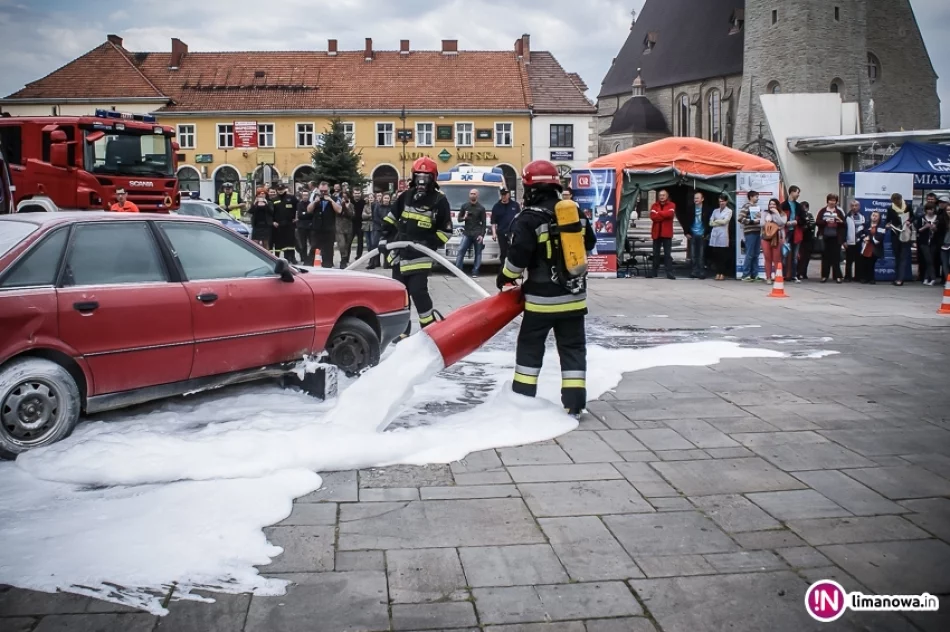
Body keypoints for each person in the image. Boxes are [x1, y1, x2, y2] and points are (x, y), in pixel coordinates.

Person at [496, 159, 596, 417]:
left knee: (530, 347)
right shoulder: (574, 214)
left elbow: (517, 259)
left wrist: (505, 276)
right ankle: (574, 403)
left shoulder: (527, 219)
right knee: (573, 349)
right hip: (574, 298)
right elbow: (590, 242)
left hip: (542, 300)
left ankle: (522, 398)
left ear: (529, 189)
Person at [379, 157, 453, 338]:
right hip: (399, 253)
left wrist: (428, 243)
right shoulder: (405, 196)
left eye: (426, 176)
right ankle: (402, 332)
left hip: (420, 254)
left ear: (433, 178)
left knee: (418, 292)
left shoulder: (439, 200)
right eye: (418, 176)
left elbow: (446, 231)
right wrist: (383, 238)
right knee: (400, 295)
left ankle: (429, 331)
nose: (421, 181)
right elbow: (391, 218)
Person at [308, 181, 342, 268]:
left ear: (329, 190)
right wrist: (315, 202)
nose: (323, 193)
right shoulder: (315, 198)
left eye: (325, 191)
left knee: (328, 250)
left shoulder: (335, 198)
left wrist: (330, 200)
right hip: (316, 229)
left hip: (329, 229)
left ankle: (328, 265)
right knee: (314, 248)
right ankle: (309, 266)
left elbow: (339, 210)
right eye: (321, 191)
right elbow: (309, 210)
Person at [456, 189, 487, 277]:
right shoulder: (465, 206)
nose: (472, 195)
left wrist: (482, 235)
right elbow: (459, 219)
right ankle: (458, 271)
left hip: (477, 233)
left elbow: (484, 223)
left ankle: (475, 271)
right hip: (467, 233)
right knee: (461, 250)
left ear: (477, 195)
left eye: (474, 194)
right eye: (471, 194)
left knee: (478, 253)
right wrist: (464, 217)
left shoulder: (481, 208)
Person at [816, 193, 846, 283]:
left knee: (836, 257)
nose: (832, 202)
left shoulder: (839, 212)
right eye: (830, 200)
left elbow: (844, 224)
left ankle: (837, 276)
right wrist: (825, 221)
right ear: (827, 201)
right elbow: (817, 222)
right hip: (825, 237)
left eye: (834, 200)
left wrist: (839, 221)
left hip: (836, 237)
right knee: (825, 257)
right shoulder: (823, 211)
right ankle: (824, 276)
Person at [886, 192, 914, 286]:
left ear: (901, 199)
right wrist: (888, 225)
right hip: (895, 233)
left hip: (905, 233)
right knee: (897, 257)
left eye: (898, 201)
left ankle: (900, 279)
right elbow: (887, 220)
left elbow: (913, 216)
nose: (896, 203)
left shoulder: (908, 206)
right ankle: (897, 277)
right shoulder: (890, 209)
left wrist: (909, 221)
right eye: (894, 202)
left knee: (903, 257)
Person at [650, 189, 676, 279]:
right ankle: (654, 272)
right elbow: (653, 217)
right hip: (656, 233)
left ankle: (669, 272)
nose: (661, 197)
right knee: (655, 254)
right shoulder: (654, 205)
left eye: (663, 195)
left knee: (667, 254)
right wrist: (663, 215)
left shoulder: (672, 205)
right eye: (660, 195)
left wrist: (659, 213)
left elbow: (670, 214)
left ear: (667, 196)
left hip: (666, 233)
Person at [781, 186, 805, 282]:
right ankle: (783, 274)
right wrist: (785, 222)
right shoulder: (783, 205)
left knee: (795, 255)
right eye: (797, 192)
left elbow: (803, 220)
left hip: (796, 232)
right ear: (791, 192)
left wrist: (797, 222)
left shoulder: (799, 206)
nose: (798, 195)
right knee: (784, 254)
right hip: (786, 232)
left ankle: (794, 275)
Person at [738, 190, 763, 281]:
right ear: (751, 197)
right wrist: (751, 221)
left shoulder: (757, 207)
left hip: (757, 231)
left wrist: (761, 218)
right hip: (750, 232)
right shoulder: (746, 206)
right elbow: (740, 218)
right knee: (749, 254)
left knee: (756, 253)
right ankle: (745, 274)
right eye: (756, 196)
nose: (757, 198)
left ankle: (754, 274)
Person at [491, 188, 521, 264]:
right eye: (502, 195)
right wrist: (494, 234)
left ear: (509, 195)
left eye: (505, 194)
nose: (503, 196)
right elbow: (493, 222)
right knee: (503, 251)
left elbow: (519, 218)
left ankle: (514, 269)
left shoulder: (515, 205)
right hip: (501, 232)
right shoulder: (496, 206)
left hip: (513, 232)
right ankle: (503, 268)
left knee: (514, 251)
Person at [760, 198, 787, 283]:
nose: (771, 206)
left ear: (777, 205)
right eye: (770, 204)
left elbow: (782, 223)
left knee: (777, 258)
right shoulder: (764, 213)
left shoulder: (782, 214)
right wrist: (771, 223)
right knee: (767, 258)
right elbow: (761, 224)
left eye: (773, 204)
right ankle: (768, 277)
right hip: (766, 237)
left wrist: (776, 214)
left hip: (777, 237)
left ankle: (777, 277)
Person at [856, 211, 885, 284]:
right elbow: (859, 233)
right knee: (864, 262)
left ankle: (871, 278)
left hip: (874, 247)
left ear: (879, 217)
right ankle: (863, 278)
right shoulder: (865, 224)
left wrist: (869, 238)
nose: (874, 217)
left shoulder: (881, 226)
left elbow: (879, 237)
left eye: (876, 216)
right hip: (865, 246)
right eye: (873, 215)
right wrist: (864, 238)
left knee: (871, 263)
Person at [708, 193, 733, 281]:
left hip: (723, 234)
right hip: (715, 234)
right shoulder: (715, 211)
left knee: (722, 255)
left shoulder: (729, 211)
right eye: (720, 201)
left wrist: (716, 221)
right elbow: (710, 222)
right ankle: (717, 272)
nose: (721, 203)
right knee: (716, 255)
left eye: (723, 201)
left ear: (726, 201)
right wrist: (719, 221)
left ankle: (722, 273)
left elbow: (725, 221)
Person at [271, 182, 298, 262]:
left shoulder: (291, 198)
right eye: (279, 190)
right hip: (278, 225)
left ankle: (291, 258)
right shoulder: (274, 200)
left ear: (284, 189)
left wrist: (297, 217)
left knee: (290, 242)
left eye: (282, 189)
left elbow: (298, 208)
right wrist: (273, 221)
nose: (280, 191)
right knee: (278, 243)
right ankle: (277, 258)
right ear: (277, 190)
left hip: (289, 224)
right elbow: (271, 213)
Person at [688, 191, 711, 279]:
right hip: (693, 234)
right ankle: (694, 271)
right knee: (693, 254)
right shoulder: (690, 208)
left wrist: (707, 233)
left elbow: (709, 222)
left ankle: (701, 271)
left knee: (701, 254)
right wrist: (687, 232)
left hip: (702, 234)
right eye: (695, 198)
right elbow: (687, 221)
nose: (696, 200)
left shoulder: (706, 209)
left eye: (697, 198)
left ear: (702, 199)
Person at [916, 202, 940, 285]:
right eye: (928, 209)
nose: (930, 211)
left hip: (934, 242)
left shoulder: (938, 218)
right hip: (924, 242)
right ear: (925, 210)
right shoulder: (921, 218)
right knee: (928, 259)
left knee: (930, 260)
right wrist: (925, 227)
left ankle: (926, 278)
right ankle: (933, 278)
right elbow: (918, 230)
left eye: (932, 209)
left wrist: (934, 228)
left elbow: (940, 231)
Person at [844, 199, 866, 282]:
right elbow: (844, 229)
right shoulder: (847, 216)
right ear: (850, 207)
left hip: (859, 241)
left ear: (859, 207)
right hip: (850, 241)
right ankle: (847, 276)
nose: (854, 207)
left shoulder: (862, 216)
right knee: (849, 260)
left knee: (859, 260)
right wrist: (844, 241)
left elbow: (864, 228)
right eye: (852, 206)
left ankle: (858, 276)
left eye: (856, 206)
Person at [370, 193, 393, 269]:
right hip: (378, 227)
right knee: (374, 244)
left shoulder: (391, 207)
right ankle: (374, 262)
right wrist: (381, 224)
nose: (386, 200)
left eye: (388, 198)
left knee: (387, 246)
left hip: (388, 229)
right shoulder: (377, 206)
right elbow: (375, 217)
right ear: (382, 199)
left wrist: (387, 225)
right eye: (385, 198)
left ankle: (387, 263)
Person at [335, 187, 356, 268]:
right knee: (342, 244)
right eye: (343, 197)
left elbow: (351, 215)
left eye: (346, 197)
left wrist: (346, 206)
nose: (344, 198)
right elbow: (339, 213)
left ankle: (345, 259)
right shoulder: (337, 205)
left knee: (347, 245)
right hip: (339, 227)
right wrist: (342, 205)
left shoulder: (351, 205)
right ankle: (343, 259)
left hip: (349, 227)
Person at [798, 202, 816, 280]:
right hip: (800, 239)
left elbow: (812, 226)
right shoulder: (799, 216)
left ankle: (804, 273)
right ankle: (799, 272)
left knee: (806, 257)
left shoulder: (810, 215)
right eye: (802, 208)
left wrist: (807, 224)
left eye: (805, 208)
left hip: (808, 239)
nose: (804, 210)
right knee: (800, 257)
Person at [295, 191, 314, 264]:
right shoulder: (299, 204)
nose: (305, 197)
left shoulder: (310, 204)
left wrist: (305, 213)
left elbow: (311, 214)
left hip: (310, 226)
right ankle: (303, 257)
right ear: (301, 196)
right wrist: (306, 213)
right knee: (302, 243)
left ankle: (311, 257)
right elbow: (300, 215)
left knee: (312, 242)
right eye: (304, 195)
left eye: (306, 195)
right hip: (301, 226)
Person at [351, 189, 367, 260]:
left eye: (358, 193)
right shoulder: (350, 202)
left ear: (360, 194)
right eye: (355, 193)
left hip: (360, 224)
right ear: (353, 194)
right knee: (349, 241)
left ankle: (359, 256)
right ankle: (346, 257)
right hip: (352, 224)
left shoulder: (363, 202)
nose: (357, 194)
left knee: (360, 241)